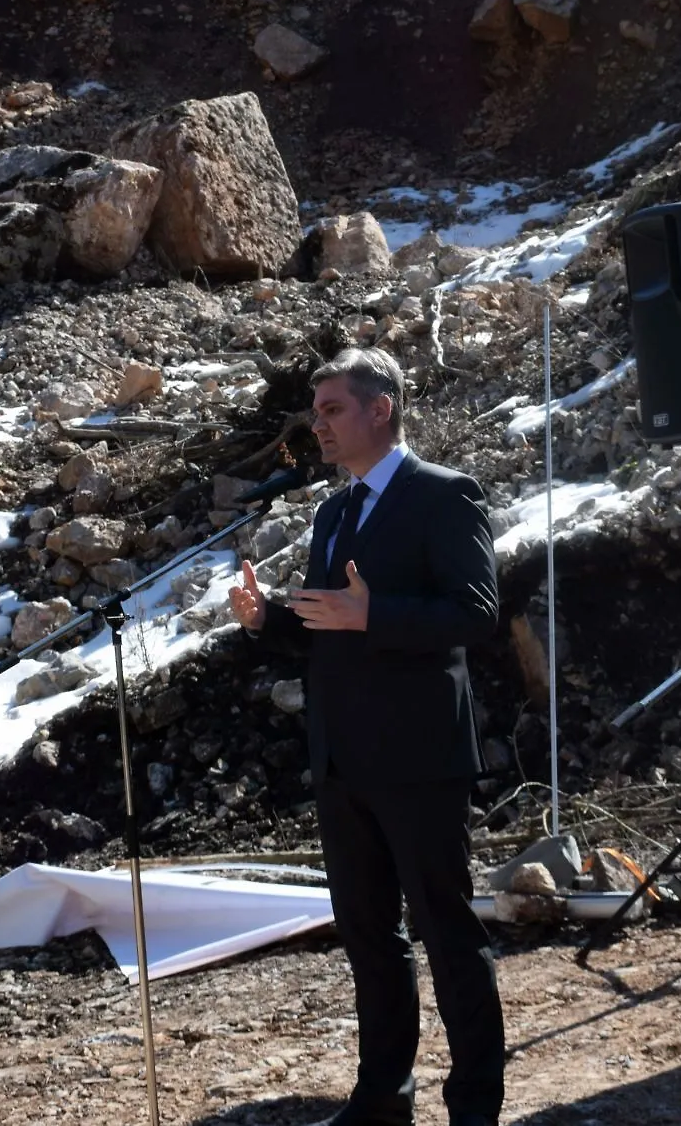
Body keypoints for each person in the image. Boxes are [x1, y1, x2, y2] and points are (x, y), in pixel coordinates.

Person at [228, 347, 505, 1126]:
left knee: (448, 934)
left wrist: (373, 612)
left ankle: (475, 1109)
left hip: (419, 756)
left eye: (332, 409)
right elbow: (331, 626)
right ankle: (383, 1099)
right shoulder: (334, 512)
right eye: (315, 411)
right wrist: (269, 620)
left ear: (380, 409)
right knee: (370, 937)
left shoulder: (445, 494)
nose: (317, 425)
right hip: (343, 757)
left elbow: (476, 612)